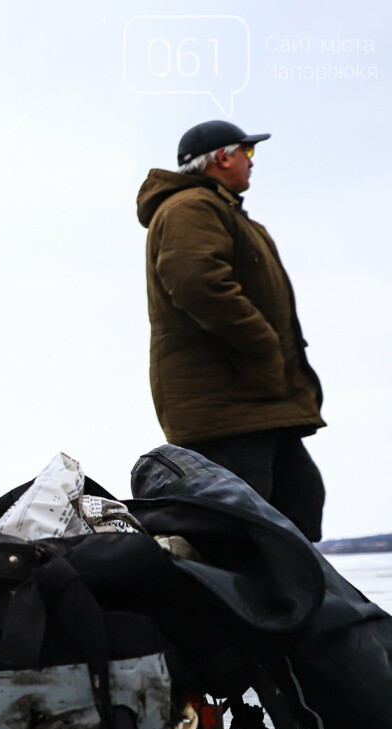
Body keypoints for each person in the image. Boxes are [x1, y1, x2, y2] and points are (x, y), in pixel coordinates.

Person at [136, 119, 325, 540]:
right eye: (247, 152)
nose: (251, 162)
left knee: (299, 505)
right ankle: (244, 605)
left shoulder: (222, 211)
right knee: (244, 535)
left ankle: (297, 604)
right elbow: (197, 282)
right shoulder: (191, 208)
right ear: (223, 157)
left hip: (258, 402)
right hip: (226, 406)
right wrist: (264, 347)